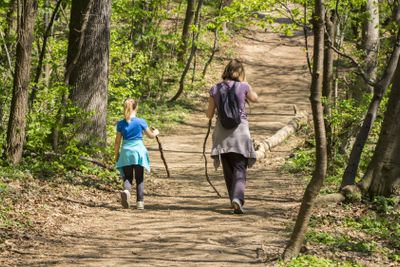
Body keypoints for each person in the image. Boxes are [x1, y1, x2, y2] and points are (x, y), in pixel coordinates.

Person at [206, 59, 259, 214]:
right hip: (240, 132)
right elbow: (256, 99)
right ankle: (238, 198)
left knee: (228, 169)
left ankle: (233, 201)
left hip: (222, 134)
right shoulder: (243, 86)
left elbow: (209, 114)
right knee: (240, 168)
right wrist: (246, 83)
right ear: (239, 72)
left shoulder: (215, 88)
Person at [114, 98, 159, 210]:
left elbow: (117, 141)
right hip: (139, 152)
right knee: (139, 178)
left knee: (128, 177)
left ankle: (126, 191)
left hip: (126, 152)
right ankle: (140, 203)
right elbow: (150, 136)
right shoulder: (141, 121)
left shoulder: (120, 123)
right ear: (136, 107)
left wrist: (116, 154)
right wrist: (156, 132)